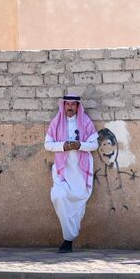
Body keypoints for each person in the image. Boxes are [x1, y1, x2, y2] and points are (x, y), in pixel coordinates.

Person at [44, 95, 98, 253]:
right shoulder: (57, 122)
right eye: (67, 104)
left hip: (81, 171)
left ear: (77, 106)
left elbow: (94, 144)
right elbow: (47, 145)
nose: (69, 107)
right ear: (63, 105)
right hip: (62, 171)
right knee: (58, 196)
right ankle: (69, 236)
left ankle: (68, 240)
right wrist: (64, 146)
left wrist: (80, 145)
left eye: (73, 104)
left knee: (78, 205)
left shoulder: (86, 122)